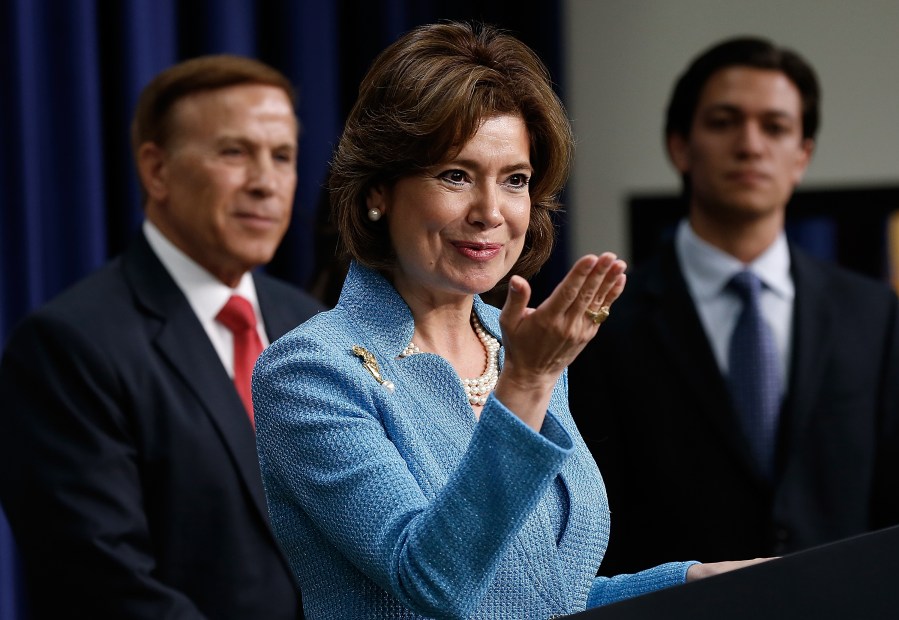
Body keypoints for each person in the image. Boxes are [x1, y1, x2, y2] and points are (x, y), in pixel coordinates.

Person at [252, 22, 763, 619]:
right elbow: (433, 581)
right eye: (455, 175)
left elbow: (541, 601)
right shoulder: (311, 371)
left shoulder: (513, 345)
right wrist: (526, 383)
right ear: (378, 192)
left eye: (515, 180)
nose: (491, 212)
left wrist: (695, 581)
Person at [0, 55, 323, 618]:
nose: (266, 183)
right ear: (156, 170)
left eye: (283, 157)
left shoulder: (311, 324)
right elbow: (104, 588)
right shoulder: (68, 346)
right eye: (234, 152)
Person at [569, 36, 899, 576]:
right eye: (724, 122)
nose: (750, 145)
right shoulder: (605, 319)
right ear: (680, 146)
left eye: (775, 127)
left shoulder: (873, 314)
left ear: (802, 156)